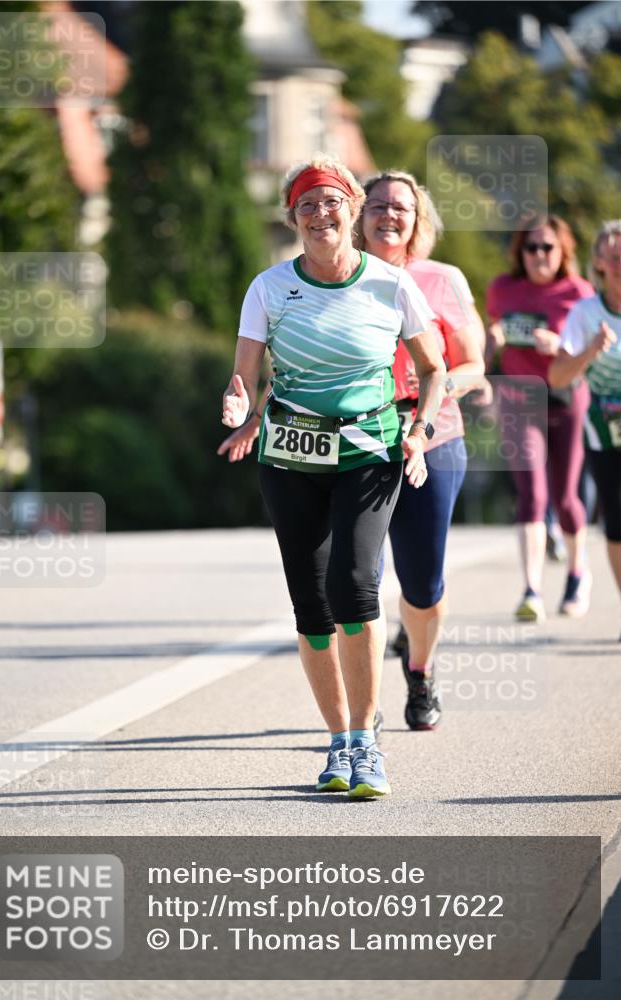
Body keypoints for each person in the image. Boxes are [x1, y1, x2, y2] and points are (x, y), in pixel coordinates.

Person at [221, 155, 445, 798]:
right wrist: (238, 407)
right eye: (307, 205)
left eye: (332, 202)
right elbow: (246, 376)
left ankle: (368, 741)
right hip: (289, 458)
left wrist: (419, 429)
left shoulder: (390, 284)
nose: (321, 214)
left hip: (369, 451)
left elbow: (433, 368)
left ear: (352, 211)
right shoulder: (268, 288)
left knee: (354, 584)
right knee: (312, 606)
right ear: (293, 217)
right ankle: (340, 742)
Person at [359, 171, 486, 731]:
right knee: (358, 576)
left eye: (402, 208)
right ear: (360, 219)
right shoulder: (340, 278)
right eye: (378, 205)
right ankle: (365, 704)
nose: (390, 215)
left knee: (423, 582)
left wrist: (428, 400)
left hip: (432, 437)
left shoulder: (442, 279)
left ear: (418, 220)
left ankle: (421, 668)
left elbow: (473, 366)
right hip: (358, 438)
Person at [486, 215, 595, 622]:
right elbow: (488, 337)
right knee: (531, 494)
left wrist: (561, 347)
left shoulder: (579, 294)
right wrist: (490, 343)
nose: (538, 256)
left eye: (546, 247)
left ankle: (576, 573)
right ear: (520, 253)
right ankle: (531, 589)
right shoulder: (503, 288)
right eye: (530, 248)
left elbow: (588, 355)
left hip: (566, 395)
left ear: (563, 251)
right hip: (519, 395)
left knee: (566, 497)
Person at [549, 220, 621, 617]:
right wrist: (590, 350)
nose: (620, 264)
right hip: (605, 432)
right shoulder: (586, 313)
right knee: (617, 525)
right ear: (599, 263)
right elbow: (557, 377)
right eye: (614, 257)